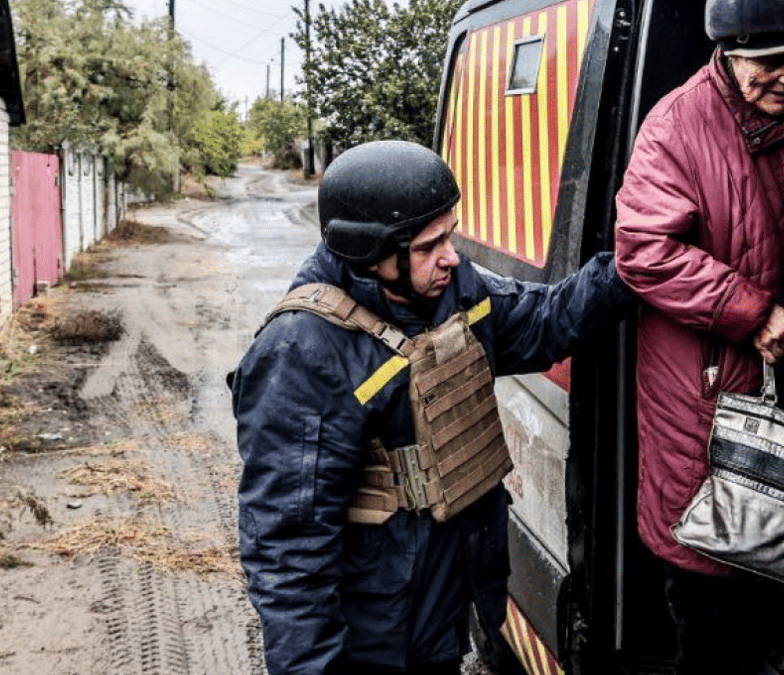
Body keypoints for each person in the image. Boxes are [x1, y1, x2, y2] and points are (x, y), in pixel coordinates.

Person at [231, 140, 633, 675]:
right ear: (370, 252)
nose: (451, 256)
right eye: (428, 245)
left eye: (450, 234)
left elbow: (542, 320)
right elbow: (288, 548)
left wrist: (636, 265)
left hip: (439, 611)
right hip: (371, 639)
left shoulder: (451, 289)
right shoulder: (302, 352)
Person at [613, 0, 784, 675]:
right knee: (711, 618)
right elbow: (641, 249)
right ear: (731, 54)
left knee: (775, 613)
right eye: (772, 64)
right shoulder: (678, 125)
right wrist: (752, 312)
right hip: (705, 409)